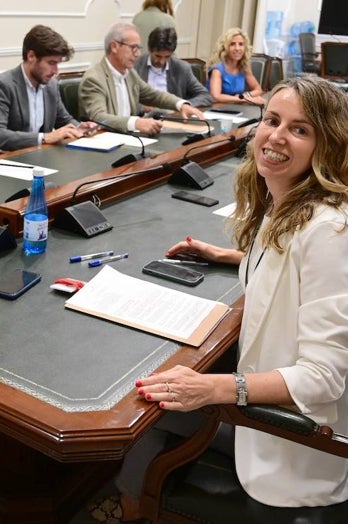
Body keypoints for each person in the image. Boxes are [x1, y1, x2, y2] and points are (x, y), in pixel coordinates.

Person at [94, 76, 348, 522]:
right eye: (272, 120)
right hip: (262, 405)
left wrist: (213, 387)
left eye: (300, 129)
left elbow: (322, 379)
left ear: (326, 146)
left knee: (137, 417)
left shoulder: (328, 230)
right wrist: (232, 256)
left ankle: (131, 508)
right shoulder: (288, 201)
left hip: (293, 444)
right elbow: (288, 268)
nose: (276, 136)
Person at [79, 22, 205, 135]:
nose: (138, 54)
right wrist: (136, 123)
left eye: (139, 48)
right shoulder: (94, 79)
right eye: (133, 48)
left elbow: (154, 95)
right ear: (114, 47)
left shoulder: (130, 73)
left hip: (130, 139)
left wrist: (181, 105)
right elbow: (100, 118)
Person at [0, 24, 94, 151]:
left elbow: (63, 119)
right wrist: (44, 138)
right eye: (51, 63)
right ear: (31, 56)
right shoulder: (2, 85)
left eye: (57, 64)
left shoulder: (51, 85)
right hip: (11, 160)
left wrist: (79, 128)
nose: (56, 71)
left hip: (42, 157)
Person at [134, 27, 212, 109]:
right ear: (149, 49)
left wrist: (183, 106)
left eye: (167, 56)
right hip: (142, 117)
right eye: (158, 56)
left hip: (170, 116)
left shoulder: (181, 68)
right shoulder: (135, 65)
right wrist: (142, 108)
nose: (162, 61)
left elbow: (205, 96)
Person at [206, 27, 267, 106]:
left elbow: (258, 90)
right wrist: (245, 99)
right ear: (225, 47)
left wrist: (245, 96)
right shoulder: (217, 69)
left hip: (235, 107)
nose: (237, 48)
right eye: (232, 44)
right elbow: (216, 96)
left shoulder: (244, 67)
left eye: (241, 44)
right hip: (215, 109)